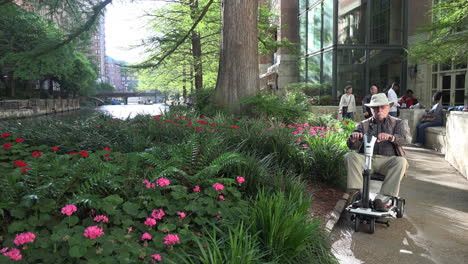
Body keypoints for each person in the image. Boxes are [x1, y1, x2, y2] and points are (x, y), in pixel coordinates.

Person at [345, 93, 409, 211]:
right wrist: (353, 139)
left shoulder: (397, 123)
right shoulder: (363, 124)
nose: (379, 110)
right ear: (370, 109)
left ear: (388, 108)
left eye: (382, 107)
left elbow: (402, 140)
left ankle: (381, 199)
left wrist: (391, 137)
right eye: (375, 108)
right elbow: (351, 146)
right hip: (367, 159)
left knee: (401, 162)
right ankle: (361, 195)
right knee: (350, 156)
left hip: (387, 160)